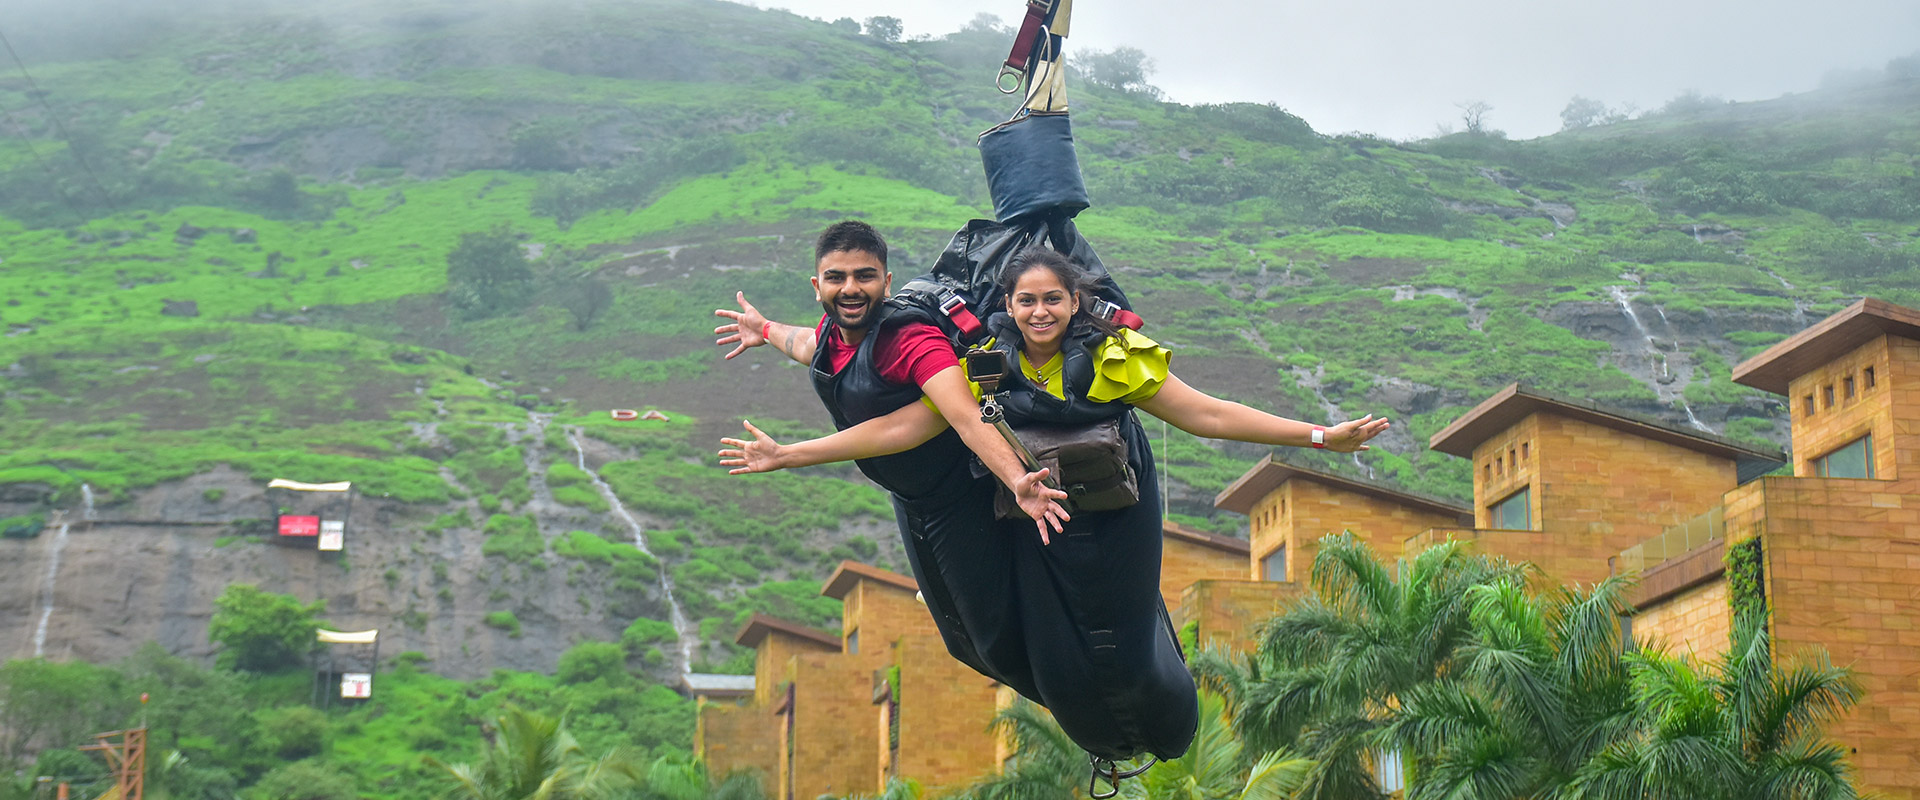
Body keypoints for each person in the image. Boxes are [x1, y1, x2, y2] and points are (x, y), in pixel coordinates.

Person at [718, 246, 1389, 763]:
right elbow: (908, 421)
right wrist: (790, 440)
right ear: (1006, 304)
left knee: (1117, 648)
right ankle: (1094, 719)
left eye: (1053, 300)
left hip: (1112, 515)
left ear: (1074, 301)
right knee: (999, 645)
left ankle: (1162, 703)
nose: (1039, 313)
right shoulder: (983, 358)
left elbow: (1208, 415)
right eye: (1026, 301)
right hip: (1031, 512)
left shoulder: (1111, 357)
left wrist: (1321, 436)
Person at [714, 220, 1075, 699]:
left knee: (993, 637)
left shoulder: (911, 341)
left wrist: (1017, 479)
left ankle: (1084, 705)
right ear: (817, 285)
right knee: (960, 641)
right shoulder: (832, 332)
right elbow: (807, 345)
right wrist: (765, 329)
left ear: (885, 283)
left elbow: (967, 417)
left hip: (958, 496)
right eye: (837, 277)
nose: (850, 289)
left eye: (864, 276)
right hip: (911, 499)